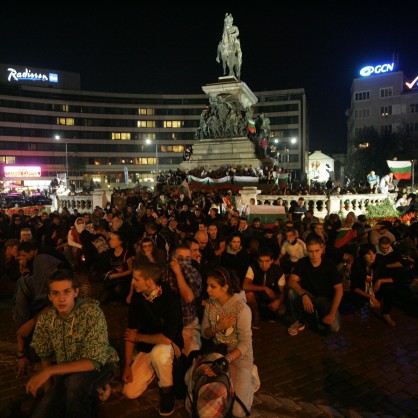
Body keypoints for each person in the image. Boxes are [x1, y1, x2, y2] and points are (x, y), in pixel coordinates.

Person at [26, 269, 119, 418]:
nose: (61, 298)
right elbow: (45, 354)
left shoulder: (92, 313)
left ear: (76, 292)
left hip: (101, 366)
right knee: (44, 410)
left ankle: (94, 391)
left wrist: (50, 371)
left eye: (66, 292)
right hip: (66, 370)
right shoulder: (46, 320)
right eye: (55, 293)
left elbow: (94, 361)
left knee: (75, 387)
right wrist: (49, 391)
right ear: (49, 297)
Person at [122, 262, 184, 416]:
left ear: (149, 281)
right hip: (147, 346)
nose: (132, 282)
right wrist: (127, 365)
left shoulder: (171, 298)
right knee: (129, 391)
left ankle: (166, 391)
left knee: (160, 353)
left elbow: (166, 339)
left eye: (136, 279)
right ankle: (157, 368)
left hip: (169, 345)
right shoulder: (137, 298)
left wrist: (139, 337)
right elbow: (131, 331)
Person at [200, 267, 259, 417]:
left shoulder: (242, 309)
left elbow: (246, 343)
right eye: (207, 285)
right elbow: (205, 333)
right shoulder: (210, 304)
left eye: (212, 286)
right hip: (219, 354)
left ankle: (252, 379)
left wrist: (227, 360)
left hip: (239, 357)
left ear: (225, 287)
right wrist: (217, 328)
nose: (208, 289)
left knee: (238, 412)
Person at [287, 235, 343, 336]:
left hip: (326, 299)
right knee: (291, 292)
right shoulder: (302, 262)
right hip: (309, 296)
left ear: (322, 249)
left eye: (317, 250)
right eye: (310, 251)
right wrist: (303, 294)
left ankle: (316, 315)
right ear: (307, 251)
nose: (314, 254)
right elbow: (291, 281)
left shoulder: (329, 264)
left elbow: (339, 289)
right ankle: (299, 320)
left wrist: (332, 313)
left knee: (335, 328)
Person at [350, 243, 396, 326]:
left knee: (390, 288)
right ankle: (357, 307)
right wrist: (370, 297)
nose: (372, 256)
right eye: (368, 254)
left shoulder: (379, 262)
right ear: (363, 255)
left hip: (375, 288)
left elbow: (393, 278)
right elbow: (354, 287)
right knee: (357, 302)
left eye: (374, 253)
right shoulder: (357, 265)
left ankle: (386, 313)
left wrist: (381, 280)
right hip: (362, 291)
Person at [243, 247, 286, 329]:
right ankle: (256, 316)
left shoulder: (278, 270)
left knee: (282, 310)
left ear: (272, 260)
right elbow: (245, 285)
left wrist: (278, 301)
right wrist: (264, 288)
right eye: (261, 261)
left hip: (271, 296)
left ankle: (268, 314)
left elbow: (283, 291)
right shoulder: (252, 267)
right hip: (258, 295)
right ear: (257, 261)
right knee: (248, 295)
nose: (264, 264)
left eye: (267, 261)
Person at [216, 13, 242, 79]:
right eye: (226, 21)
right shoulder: (225, 28)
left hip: (233, 40)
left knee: (237, 44)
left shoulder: (234, 27)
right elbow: (223, 35)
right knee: (219, 45)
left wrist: (232, 35)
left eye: (229, 20)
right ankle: (218, 56)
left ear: (231, 21)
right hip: (226, 42)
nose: (227, 22)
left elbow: (237, 32)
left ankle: (239, 55)